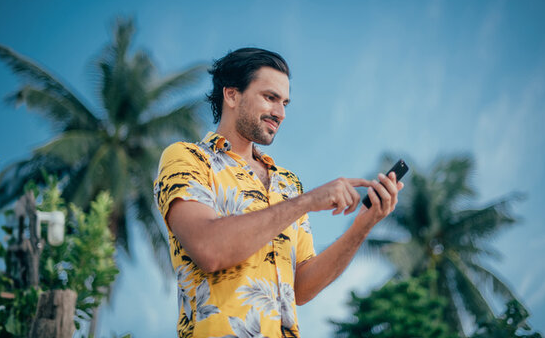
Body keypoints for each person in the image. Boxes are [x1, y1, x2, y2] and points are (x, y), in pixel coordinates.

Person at [153, 47, 403, 338]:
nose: (280, 113)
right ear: (231, 95)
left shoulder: (288, 183)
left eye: (285, 102)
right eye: (270, 98)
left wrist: (362, 225)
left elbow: (302, 289)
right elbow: (209, 249)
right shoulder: (187, 158)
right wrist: (308, 201)